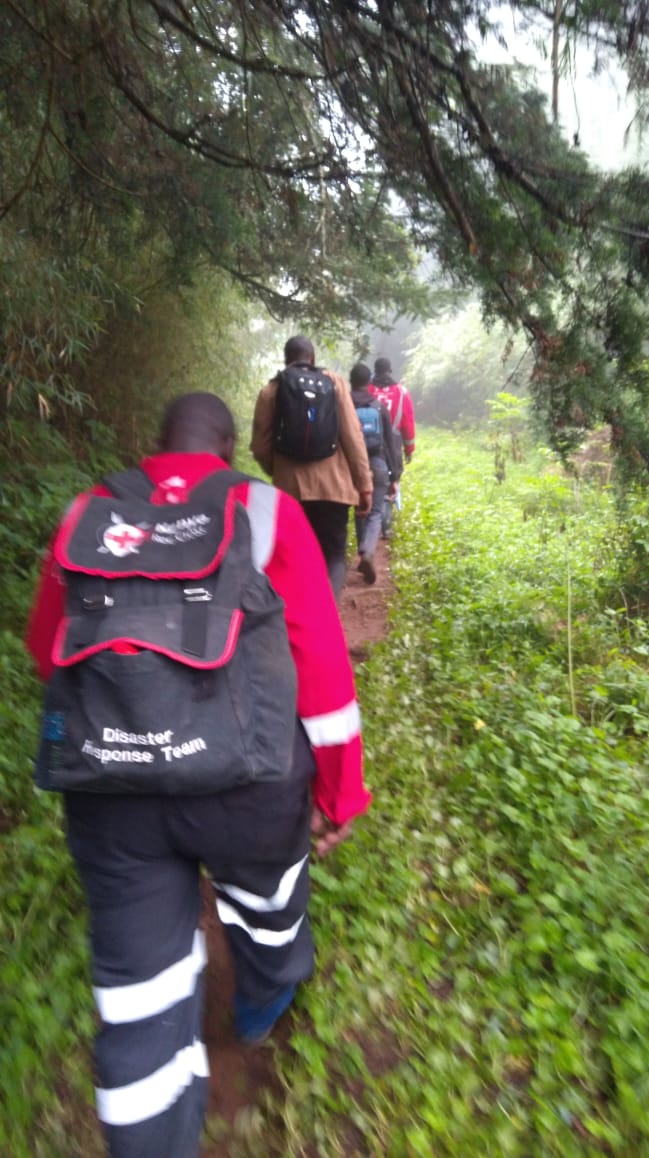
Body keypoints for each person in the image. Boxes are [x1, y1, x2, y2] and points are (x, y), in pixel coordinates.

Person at [26, 392, 372, 1158]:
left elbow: (46, 646)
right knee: (268, 902)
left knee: (137, 999)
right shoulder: (263, 511)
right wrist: (338, 790)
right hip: (248, 785)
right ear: (226, 447)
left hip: (111, 794)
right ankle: (260, 999)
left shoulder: (91, 509)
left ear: (155, 445)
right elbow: (319, 664)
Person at [250, 335, 372, 602]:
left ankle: (300, 619)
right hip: (334, 490)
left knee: (297, 559)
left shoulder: (272, 389)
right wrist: (365, 486)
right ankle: (327, 614)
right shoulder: (335, 383)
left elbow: (260, 446)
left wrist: (278, 470)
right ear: (313, 358)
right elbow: (353, 437)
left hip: (291, 492)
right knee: (334, 557)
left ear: (287, 360)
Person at [349, 362, 399, 584]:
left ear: (350, 381)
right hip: (377, 464)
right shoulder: (379, 407)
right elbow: (390, 444)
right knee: (376, 511)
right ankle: (367, 550)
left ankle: (362, 550)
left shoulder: (344, 405)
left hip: (350, 467)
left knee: (360, 508)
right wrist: (395, 475)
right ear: (369, 383)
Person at [370, 357, 416, 537]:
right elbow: (408, 422)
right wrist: (409, 448)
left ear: (375, 370)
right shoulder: (402, 392)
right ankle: (386, 524)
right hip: (394, 442)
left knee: (371, 477)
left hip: (368, 442)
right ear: (390, 370)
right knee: (391, 479)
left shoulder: (367, 389)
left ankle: (370, 518)